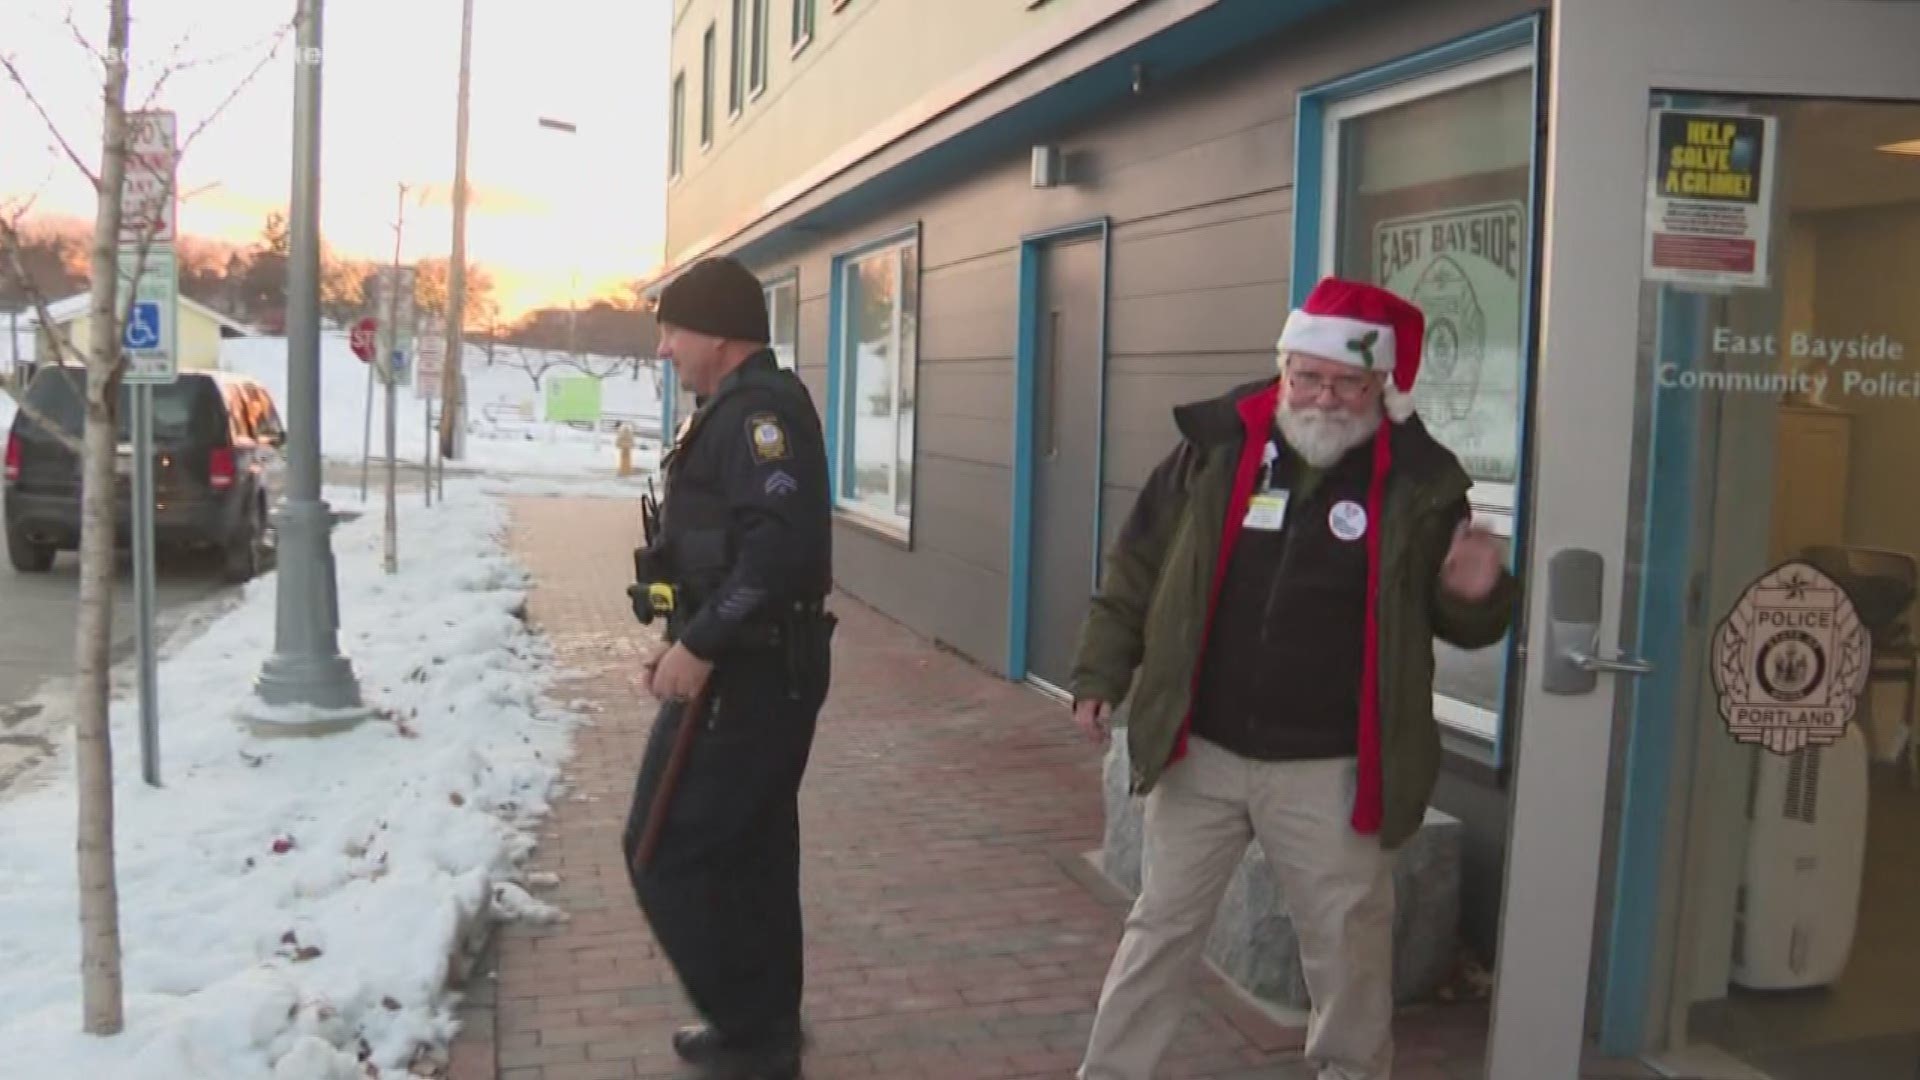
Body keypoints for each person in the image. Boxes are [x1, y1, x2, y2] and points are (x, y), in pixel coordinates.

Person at [1068, 276, 1519, 1080]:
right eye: (1308, 377)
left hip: (1333, 767)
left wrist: (1475, 591)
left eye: (1349, 382)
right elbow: (1137, 563)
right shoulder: (1218, 446)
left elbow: (1462, 620)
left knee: (1348, 954)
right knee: (1159, 930)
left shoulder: (1422, 481)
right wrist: (1103, 668)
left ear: (1381, 387)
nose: (1325, 397)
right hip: (1202, 751)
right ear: (1283, 369)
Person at [621, 255, 834, 1080]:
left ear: (714, 330)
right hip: (750, 666)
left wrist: (702, 645)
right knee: (751, 852)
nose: (665, 348)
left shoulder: (760, 416)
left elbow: (778, 550)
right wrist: (689, 633)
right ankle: (762, 1031)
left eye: (671, 330)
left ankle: (749, 1025)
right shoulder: (737, 410)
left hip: (749, 676)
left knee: (661, 845)